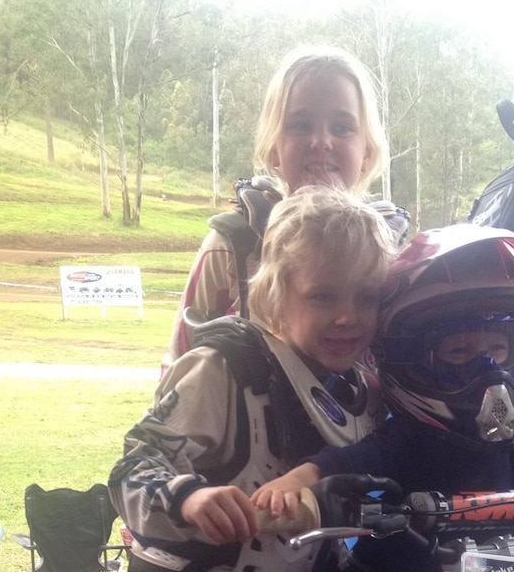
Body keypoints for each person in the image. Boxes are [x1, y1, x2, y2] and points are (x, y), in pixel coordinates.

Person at [108, 187, 397, 572]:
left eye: (366, 297)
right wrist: (190, 500)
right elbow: (133, 468)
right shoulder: (225, 371)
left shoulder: (369, 392)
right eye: (323, 297)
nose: (348, 317)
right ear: (277, 292)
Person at [251, 223, 514, 571]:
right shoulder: (413, 438)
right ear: (409, 358)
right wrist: (299, 482)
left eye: (498, 349)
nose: (487, 371)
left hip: (507, 558)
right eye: (459, 352)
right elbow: (353, 461)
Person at [162, 44, 394, 371]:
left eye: (342, 128)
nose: (321, 141)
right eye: (300, 126)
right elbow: (177, 374)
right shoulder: (230, 249)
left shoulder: (390, 253)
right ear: (273, 147)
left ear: (367, 151)